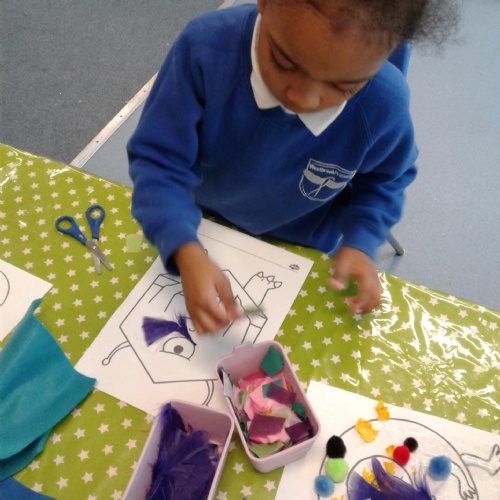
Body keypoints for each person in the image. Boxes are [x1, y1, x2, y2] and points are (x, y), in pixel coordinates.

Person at [128, 0, 459, 334]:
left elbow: (384, 181)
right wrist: (182, 246)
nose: (304, 98)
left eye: (342, 87)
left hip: (300, 246)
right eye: (284, 62)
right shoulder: (204, 49)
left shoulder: (383, 105)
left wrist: (361, 239)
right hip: (197, 222)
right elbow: (159, 161)